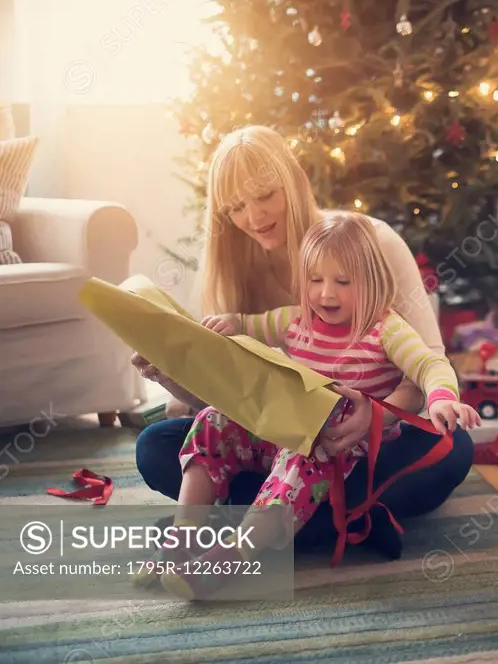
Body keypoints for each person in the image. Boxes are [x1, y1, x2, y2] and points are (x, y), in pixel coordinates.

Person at [132, 125, 475, 557]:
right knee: (158, 445)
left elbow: (427, 365)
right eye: (236, 207)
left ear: (293, 181)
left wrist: (376, 414)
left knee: (453, 448)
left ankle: (266, 530)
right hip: (278, 440)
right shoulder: (249, 286)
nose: (254, 218)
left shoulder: (370, 244)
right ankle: (337, 521)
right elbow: (222, 396)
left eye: (265, 195)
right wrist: (167, 371)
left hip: (359, 445)